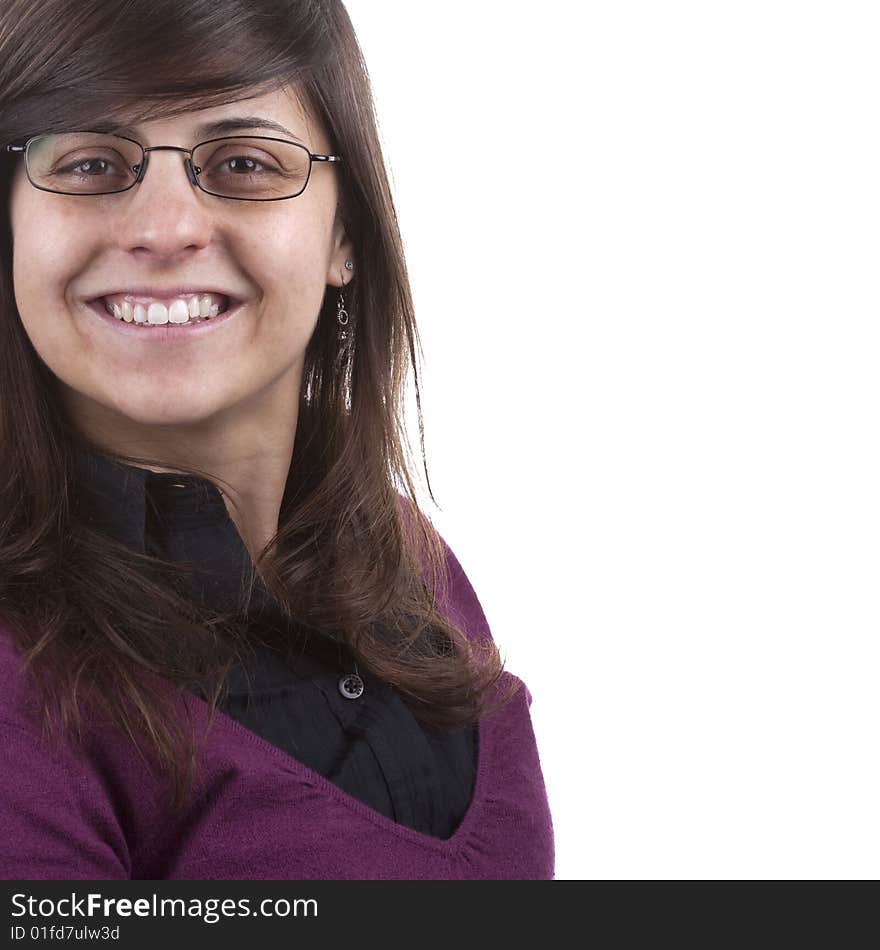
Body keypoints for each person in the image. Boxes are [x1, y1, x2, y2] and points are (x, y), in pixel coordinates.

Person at [0, 0, 554, 880]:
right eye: (94, 164)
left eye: (245, 163)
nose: (165, 228)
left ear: (345, 234)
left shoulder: (411, 561)